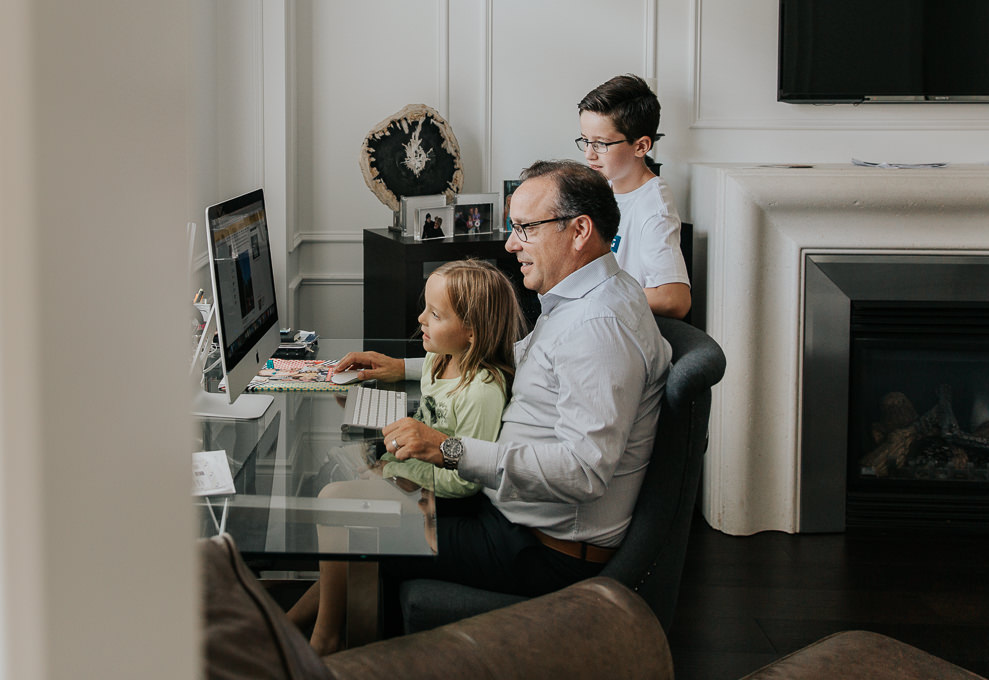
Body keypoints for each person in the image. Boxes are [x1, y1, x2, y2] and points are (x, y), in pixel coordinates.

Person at [334, 160, 672, 600]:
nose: (512, 244)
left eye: (525, 228)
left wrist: (447, 449)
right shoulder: (593, 293)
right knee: (352, 494)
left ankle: (335, 655)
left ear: (579, 230)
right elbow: (518, 367)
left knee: (347, 513)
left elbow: (585, 471)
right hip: (514, 516)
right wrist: (407, 368)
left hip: (538, 549)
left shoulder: (597, 328)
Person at [287, 259, 523, 653]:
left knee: (332, 501)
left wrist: (398, 475)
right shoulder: (440, 360)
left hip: (443, 502)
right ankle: (295, 623)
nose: (420, 319)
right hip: (410, 473)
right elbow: (425, 413)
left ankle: (323, 637)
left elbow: (465, 480)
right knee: (340, 514)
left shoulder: (482, 391)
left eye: (434, 313)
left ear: (471, 332)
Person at [577, 74, 691, 318]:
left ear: (641, 146)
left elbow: (674, 299)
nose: (589, 154)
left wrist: (595, 295)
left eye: (601, 144)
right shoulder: (605, 187)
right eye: (586, 140)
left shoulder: (654, 206)